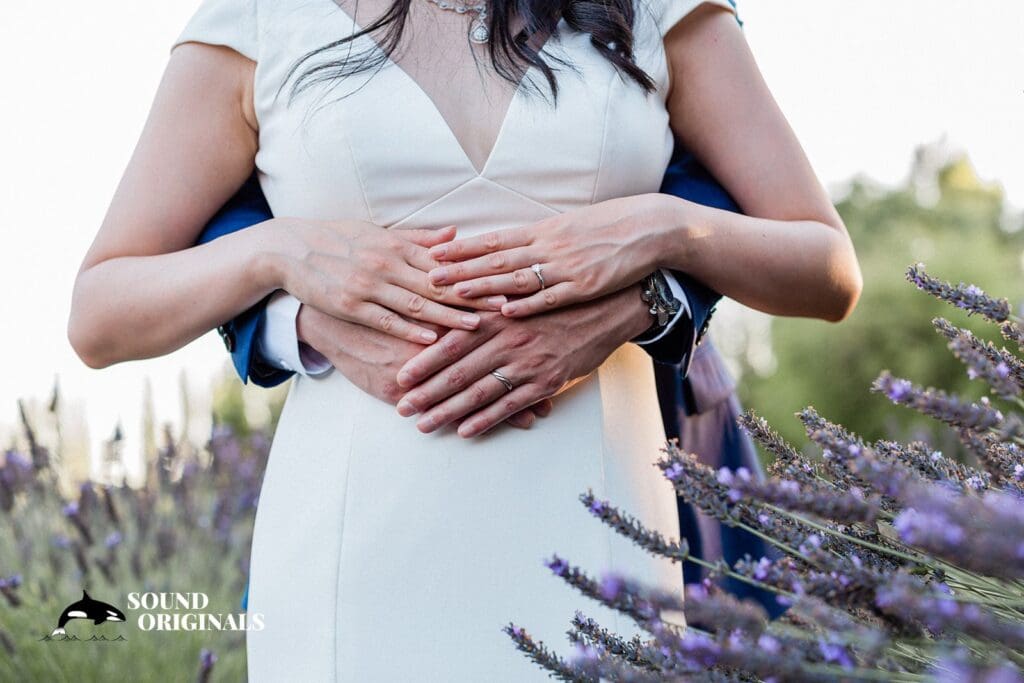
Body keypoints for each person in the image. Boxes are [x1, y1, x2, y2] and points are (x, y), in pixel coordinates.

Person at [67, 0, 862, 679]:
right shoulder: (259, 19)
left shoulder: (654, 8)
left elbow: (827, 268)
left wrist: (666, 229)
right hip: (354, 535)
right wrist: (278, 252)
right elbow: (100, 311)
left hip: (603, 510)